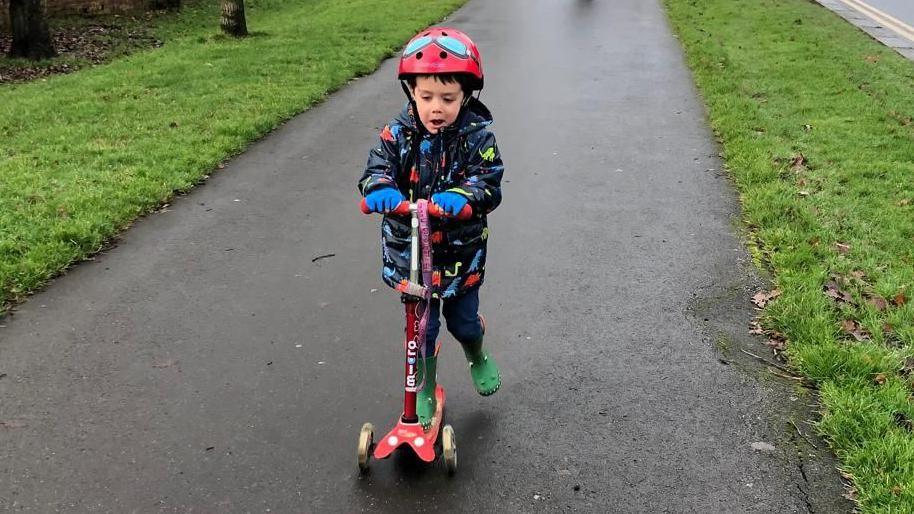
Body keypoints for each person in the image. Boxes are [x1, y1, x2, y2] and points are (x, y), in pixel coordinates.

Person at [358, 27, 504, 428]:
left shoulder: (477, 136)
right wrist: (380, 189)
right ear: (411, 93)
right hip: (411, 255)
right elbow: (376, 168)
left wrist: (464, 196)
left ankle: (476, 352)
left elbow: (488, 180)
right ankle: (425, 387)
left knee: (462, 322)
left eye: (447, 98)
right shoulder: (398, 133)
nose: (435, 107)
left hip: (459, 254)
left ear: (467, 95)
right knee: (421, 330)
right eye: (426, 97)